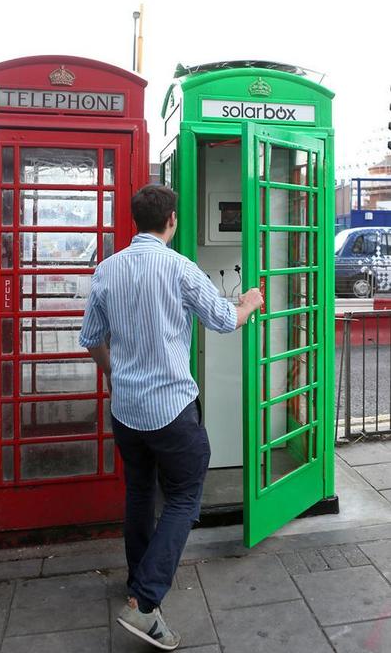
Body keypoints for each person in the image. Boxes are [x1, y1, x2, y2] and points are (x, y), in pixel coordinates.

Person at [79, 185, 263, 650]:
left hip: (127, 410)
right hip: (172, 410)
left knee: (140, 492)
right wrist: (250, 303)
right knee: (183, 498)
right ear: (173, 221)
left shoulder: (106, 270)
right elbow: (223, 319)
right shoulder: (180, 268)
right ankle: (144, 604)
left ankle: (137, 580)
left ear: (135, 221)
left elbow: (92, 338)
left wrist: (115, 375)